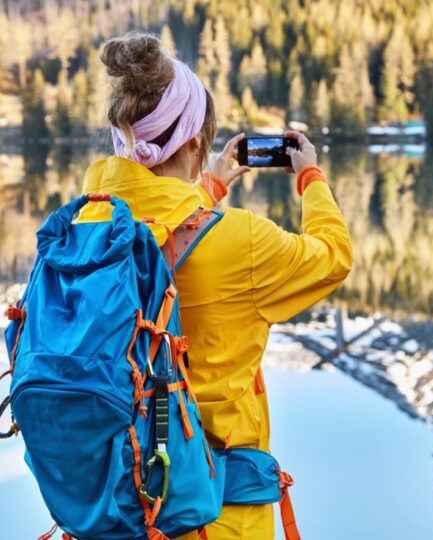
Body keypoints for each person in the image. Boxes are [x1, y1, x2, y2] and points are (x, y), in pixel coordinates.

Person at [79, 32, 353, 539]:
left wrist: (215, 183)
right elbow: (333, 256)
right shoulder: (242, 242)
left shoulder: (81, 231)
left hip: (109, 511)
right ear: (195, 141)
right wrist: (310, 175)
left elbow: (157, 224)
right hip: (210, 516)